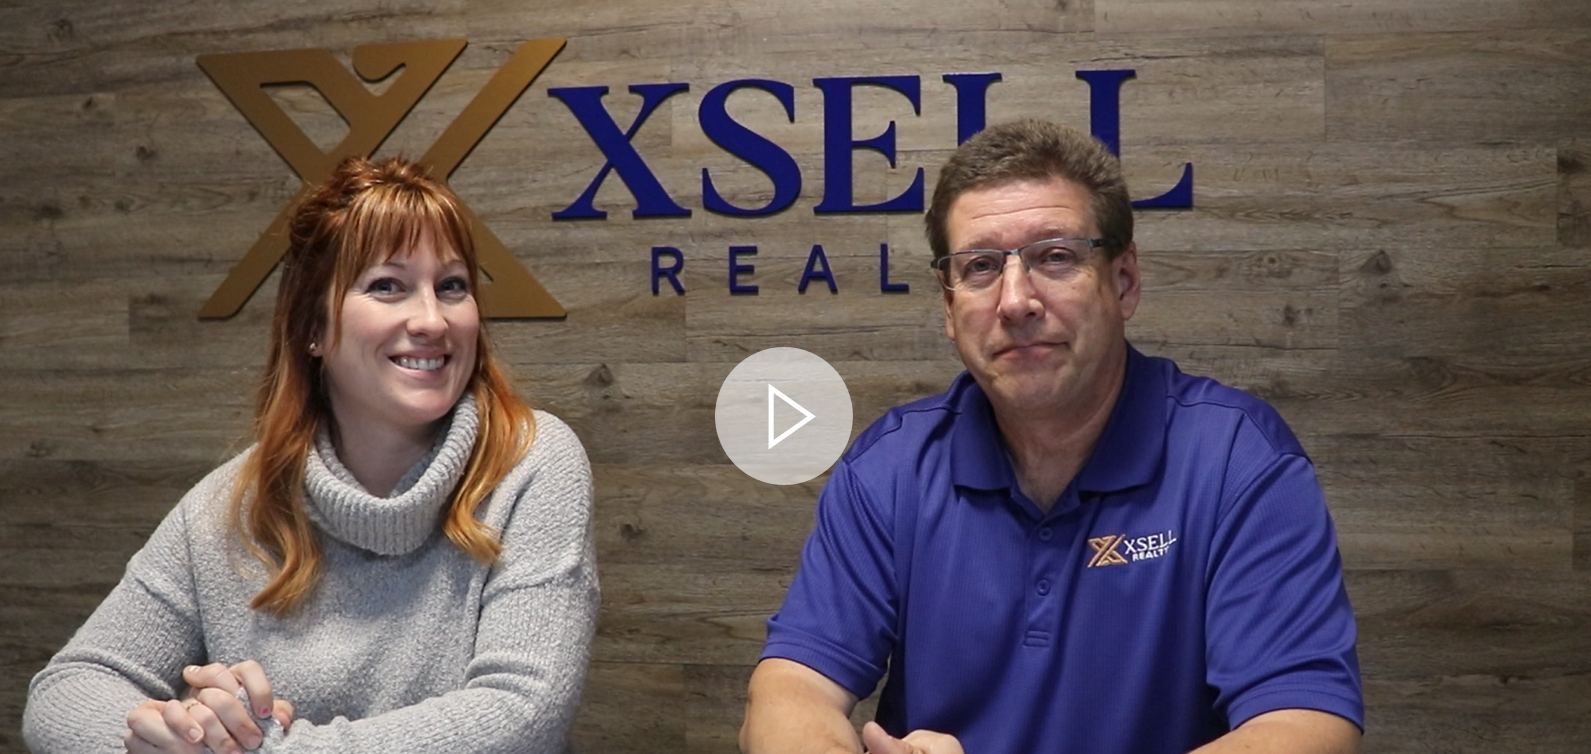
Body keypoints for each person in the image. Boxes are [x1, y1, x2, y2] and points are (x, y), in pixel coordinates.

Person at [740, 120, 1363, 754]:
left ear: (1123, 282)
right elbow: (790, 690)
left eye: (1055, 256)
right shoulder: (891, 467)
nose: (1015, 301)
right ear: (949, 307)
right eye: (981, 267)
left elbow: (1305, 726)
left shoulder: (1236, 459)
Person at [24, 156, 599, 753]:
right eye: (388, 286)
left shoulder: (532, 462)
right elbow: (65, 692)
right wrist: (178, 739)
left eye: (452, 286)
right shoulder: (229, 504)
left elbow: (522, 716)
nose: (432, 320)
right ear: (313, 329)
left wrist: (260, 750)